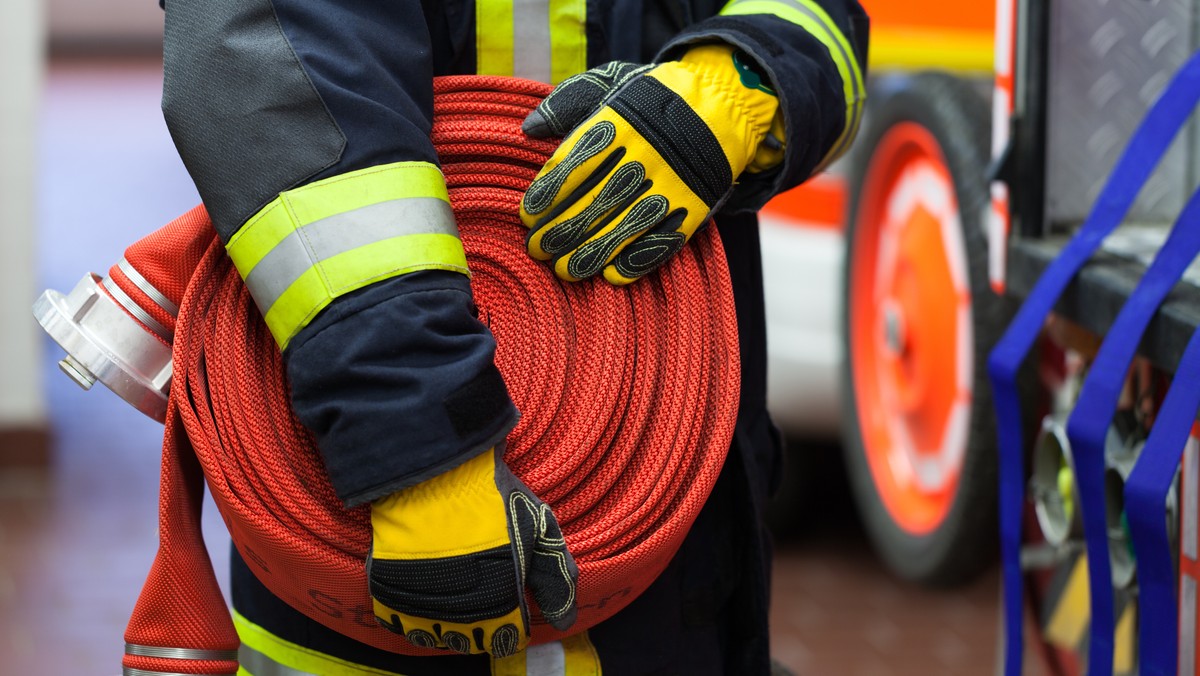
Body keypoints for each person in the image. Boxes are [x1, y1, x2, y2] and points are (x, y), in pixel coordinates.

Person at [158, 1, 868, 673]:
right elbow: (274, 73)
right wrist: (420, 444)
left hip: (678, 569)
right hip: (376, 519)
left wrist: (739, 79)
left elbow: (824, 18)